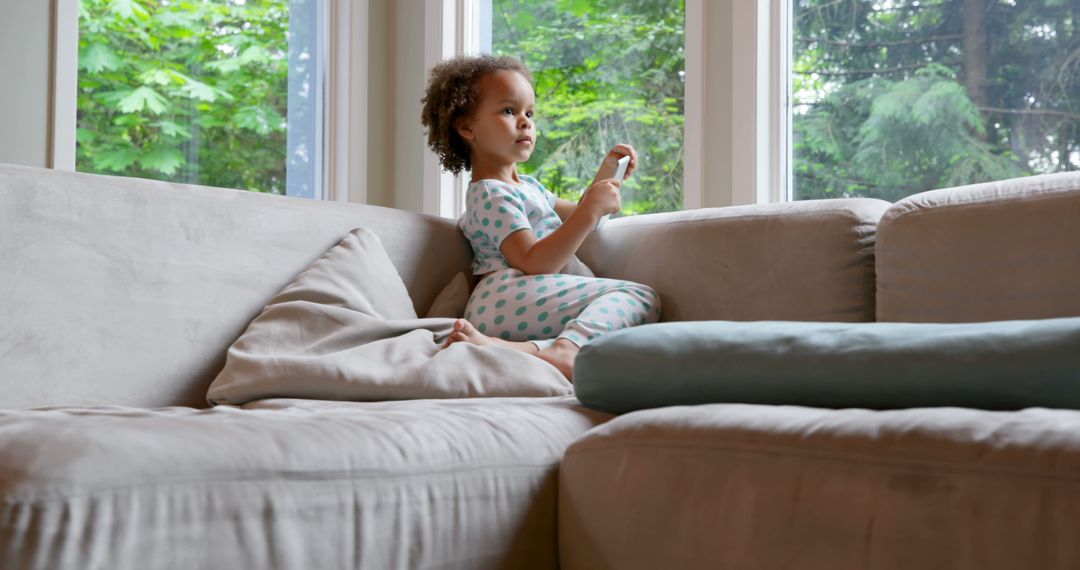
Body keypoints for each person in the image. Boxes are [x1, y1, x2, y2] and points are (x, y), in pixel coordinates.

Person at [420, 54, 660, 380]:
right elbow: (534, 262)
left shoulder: (530, 187)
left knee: (617, 345)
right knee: (639, 296)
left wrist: (607, 176)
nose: (526, 122)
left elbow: (584, 222)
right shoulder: (490, 193)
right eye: (509, 111)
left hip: (522, 304)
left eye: (530, 113)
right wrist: (590, 208)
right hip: (507, 297)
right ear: (466, 126)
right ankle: (566, 351)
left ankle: (498, 347)